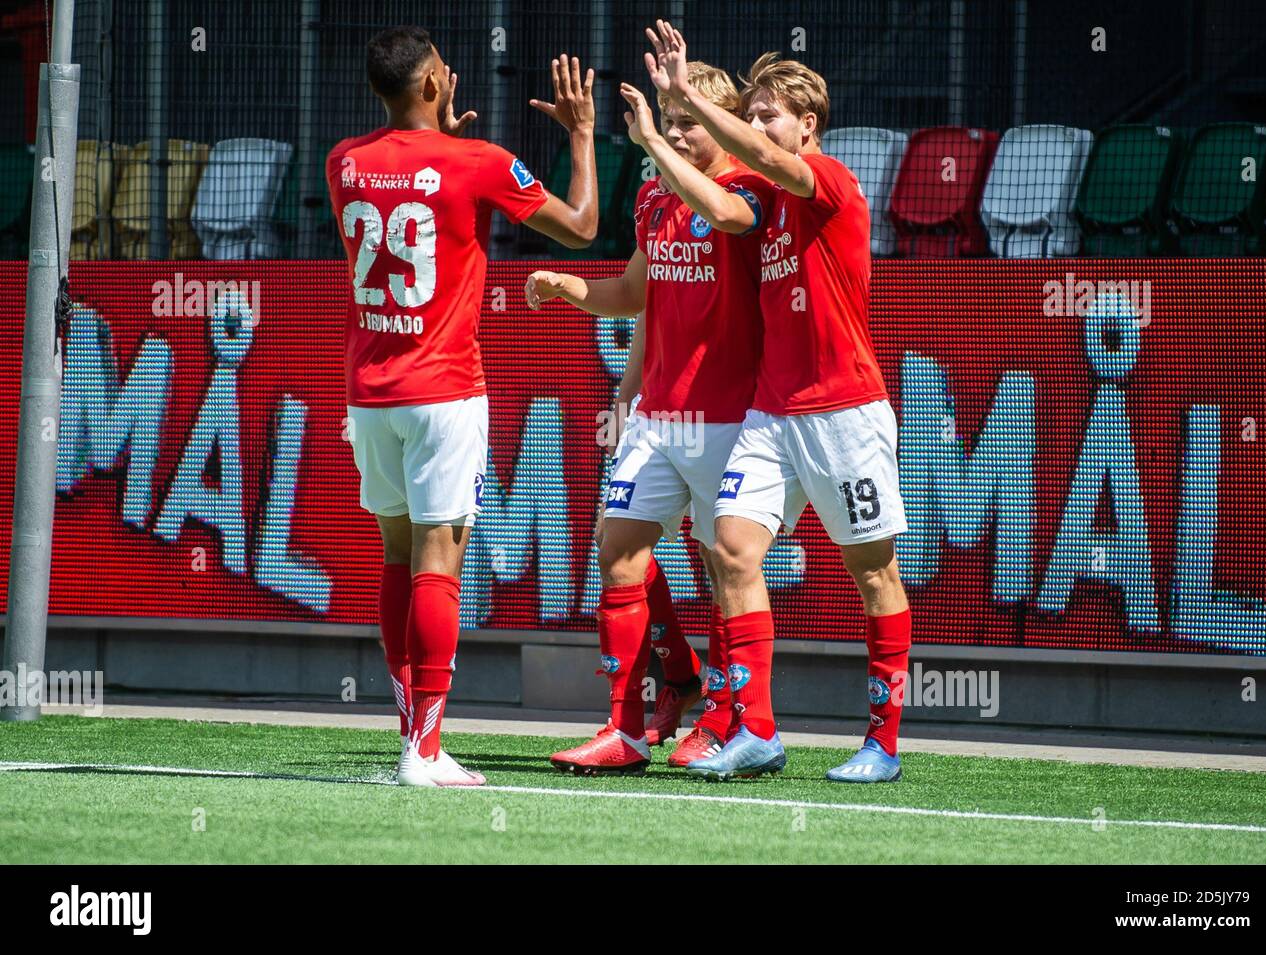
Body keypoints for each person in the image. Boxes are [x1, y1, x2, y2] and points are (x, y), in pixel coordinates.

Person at [326, 25, 599, 787]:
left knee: (397, 555)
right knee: (440, 566)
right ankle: (426, 750)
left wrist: (437, 136)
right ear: (434, 86)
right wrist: (580, 136)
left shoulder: (344, 161)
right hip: (445, 391)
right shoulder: (478, 163)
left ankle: (410, 737)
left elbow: (412, 180)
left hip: (370, 393)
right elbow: (580, 228)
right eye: (445, 69)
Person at [644, 22, 912, 783]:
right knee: (729, 548)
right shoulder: (756, 193)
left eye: (770, 114)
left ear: (807, 126)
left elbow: (757, 159)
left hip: (845, 412)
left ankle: (883, 741)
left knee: (874, 575)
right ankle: (756, 728)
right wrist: (661, 130)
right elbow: (717, 195)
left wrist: (690, 93)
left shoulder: (829, 180)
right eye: (753, 112)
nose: (758, 127)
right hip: (771, 410)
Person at [525, 63, 769, 774]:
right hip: (663, 416)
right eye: (670, 117)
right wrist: (572, 289)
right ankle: (625, 730)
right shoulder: (655, 197)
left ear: (723, 124)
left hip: (732, 415)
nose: (678, 131)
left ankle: (724, 719)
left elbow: (724, 223)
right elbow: (640, 293)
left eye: (690, 119)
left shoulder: (747, 193)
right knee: (617, 547)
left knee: (727, 565)